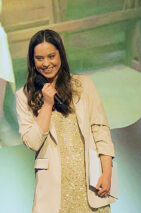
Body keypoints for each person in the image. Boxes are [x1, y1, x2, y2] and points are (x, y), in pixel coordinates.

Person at [16, 29, 115, 213]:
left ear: (61, 54)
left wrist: (107, 173)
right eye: (39, 58)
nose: (46, 63)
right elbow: (33, 141)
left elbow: (101, 131)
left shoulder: (84, 85)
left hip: (90, 187)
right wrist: (47, 104)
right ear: (32, 61)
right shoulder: (24, 96)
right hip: (53, 193)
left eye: (51, 56)